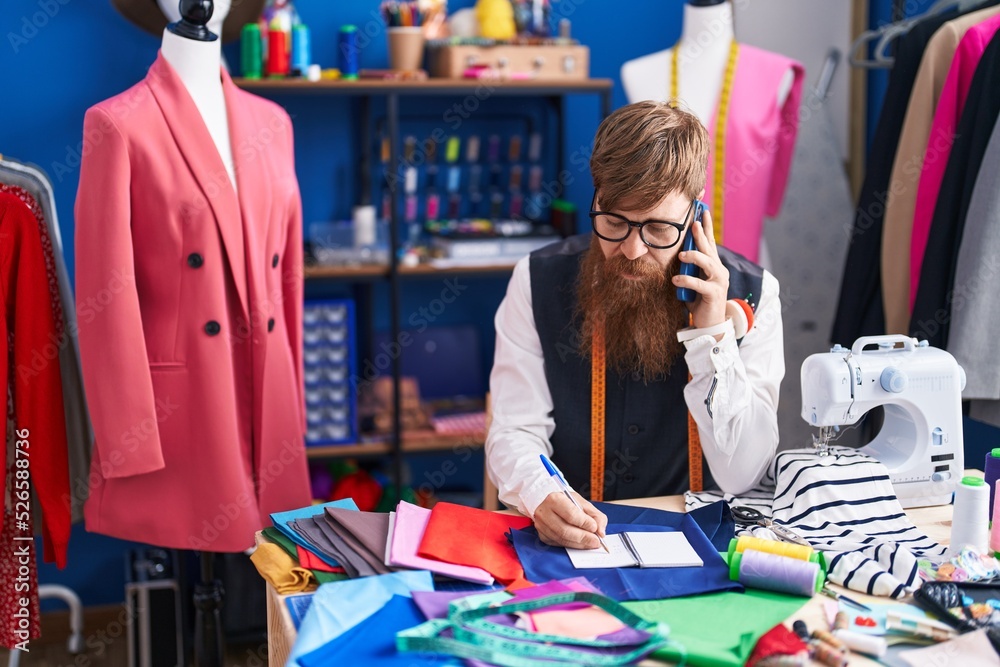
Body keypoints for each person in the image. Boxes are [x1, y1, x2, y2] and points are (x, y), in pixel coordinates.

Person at [486, 101, 784, 550]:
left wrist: (712, 341)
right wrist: (539, 492)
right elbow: (514, 430)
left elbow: (742, 473)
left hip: (701, 543)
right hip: (574, 544)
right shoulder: (536, 278)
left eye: (659, 229)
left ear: (695, 214)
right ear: (596, 197)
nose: (631, 249)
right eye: (614, 221)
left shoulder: (756, 293)